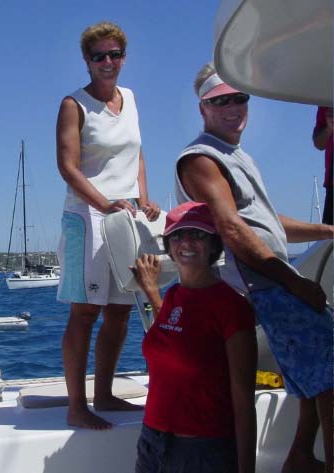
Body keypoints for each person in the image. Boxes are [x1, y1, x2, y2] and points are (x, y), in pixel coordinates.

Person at [175, 63, 333, 473]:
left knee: (317, 370)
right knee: (330, 368)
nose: (232, 107)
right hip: (255, 286)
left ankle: (300, 457)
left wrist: (328, 230)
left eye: (239, 98)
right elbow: (231, 228)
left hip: (269, 280)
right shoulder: (202, 159)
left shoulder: (237, 156)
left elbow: (267, 223)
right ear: (202, 108)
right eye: (220, 101)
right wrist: (293, 283)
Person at [55, 21, 160, 429]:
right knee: (85, 312)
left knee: (120, 312)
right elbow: (68, 167)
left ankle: (104, 394)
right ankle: (76, 407)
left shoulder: (130, 99)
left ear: (124, 57)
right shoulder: (74, 105)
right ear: (86, 60)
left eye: (114, 54)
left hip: (126, 216)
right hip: (88, 217)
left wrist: (143, 199)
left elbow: (137, 155)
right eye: (99, 56)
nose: (107, 62)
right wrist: (104, 203)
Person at [132, 202, 256, 473]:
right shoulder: (173, 296)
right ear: (168, 246)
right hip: (151, 442)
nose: (186, 242)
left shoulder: (232, 307)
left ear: (214, 244)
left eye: (198, 234)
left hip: (202, 452)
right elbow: (173, 339)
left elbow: (244, 404)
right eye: (177, 235)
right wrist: (151, 290)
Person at [312, 106, 333, 224]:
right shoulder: (326, 101)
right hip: (332, 186)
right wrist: (329, 128)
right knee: (329, 233)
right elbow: (319, 144)